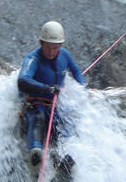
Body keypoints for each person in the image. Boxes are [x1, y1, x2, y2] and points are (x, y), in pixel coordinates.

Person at [17, 21, 85, 168]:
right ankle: (35, 152)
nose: (51, 52)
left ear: (60, 45)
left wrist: (82, 88)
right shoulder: (33, 59)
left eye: (55, 48)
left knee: (66, 121)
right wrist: (46, 89)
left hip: (53, 104)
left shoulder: (64, 55)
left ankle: (64, 154)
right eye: (48, 47)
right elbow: (22, 81)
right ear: (41, 43)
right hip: (35, 102)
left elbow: (76, 71)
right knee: (38, 118)